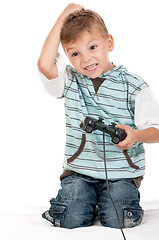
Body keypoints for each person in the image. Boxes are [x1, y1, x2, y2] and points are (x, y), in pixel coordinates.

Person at [38, 3, 159, 229]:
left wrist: (135, 135)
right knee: (69, 218)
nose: (86, 59)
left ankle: (103, 200)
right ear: (66, 55)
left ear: (109, 43)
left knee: (119, 220)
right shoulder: (70, 81)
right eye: (75, 53)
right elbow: (45, 64)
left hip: (121, 173)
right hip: (80, 172)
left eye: (93, 47)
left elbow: (157, 130)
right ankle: (88, 201)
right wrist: (63, 16)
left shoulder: (133, 85)